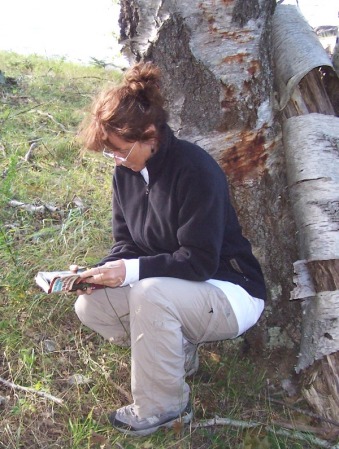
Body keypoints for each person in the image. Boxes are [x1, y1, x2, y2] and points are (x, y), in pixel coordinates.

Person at [74, 61, 266, 437]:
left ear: (149, 134)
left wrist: (129, 272)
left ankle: (164, 406)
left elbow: (198, 262)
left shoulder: (195, 169)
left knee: (150, 291)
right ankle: (178, 353)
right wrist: (98, 272)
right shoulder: (124, 175)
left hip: (230, 289)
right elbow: (126, 243)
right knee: (91, 305)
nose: (114, 159)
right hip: (176, 290)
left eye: (119, 150)